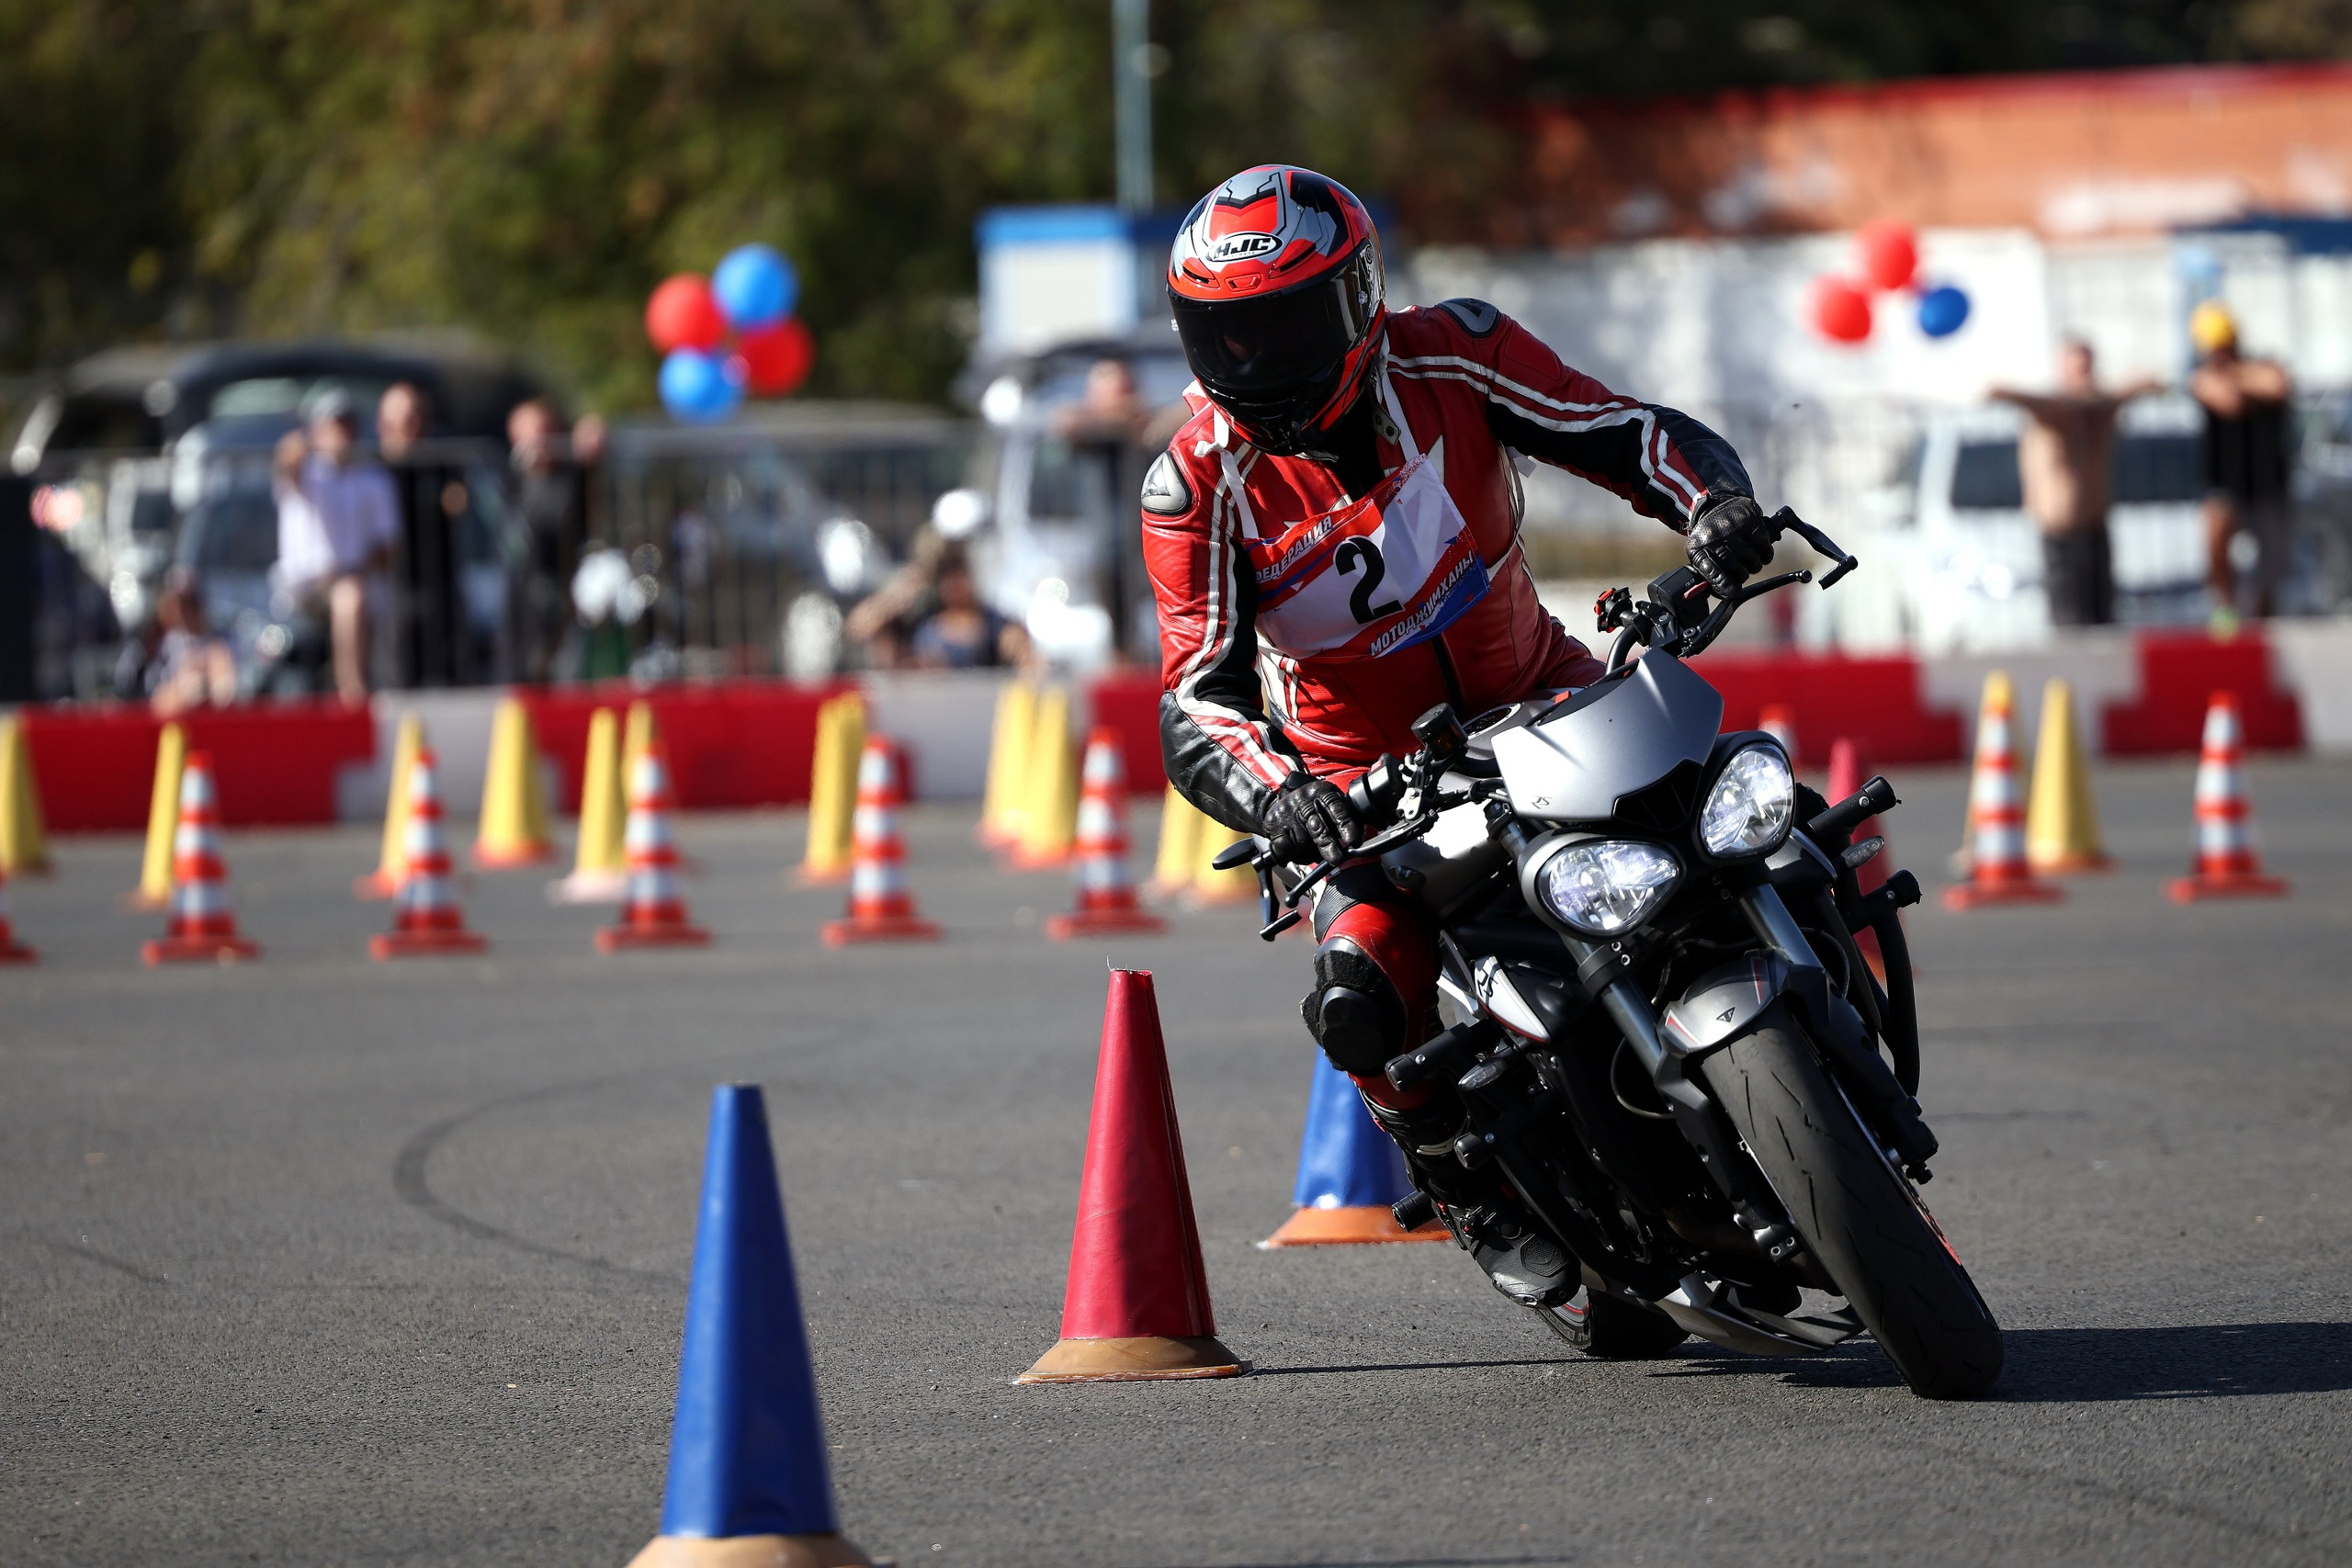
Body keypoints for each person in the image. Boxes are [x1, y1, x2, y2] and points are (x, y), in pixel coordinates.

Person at [1144, 164, 1770, 1307]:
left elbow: (1620, 432)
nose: (1253, 364)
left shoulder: (1457, 351)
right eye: (1222, 338)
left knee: (1752, 815)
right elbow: (1197, 695)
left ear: (1359, 298)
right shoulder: (1196, 486)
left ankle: (1817, 989)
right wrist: (1282, 796)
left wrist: (1713, 506)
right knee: (1356, 996)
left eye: (1281, 327)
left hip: (1549, 692)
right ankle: (1462, 1180)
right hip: (1365, 782)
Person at [1989, 338, 2161, 628]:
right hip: (2061, 536)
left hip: (2096, 532)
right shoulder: (2051, 413)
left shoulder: (2102, 411)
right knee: (2070, 624)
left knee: (2104, 622)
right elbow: (1999, 391)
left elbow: (2151, 382)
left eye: (2088, 368)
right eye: (2077, 369)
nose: (2085, 375)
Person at [272, 389, 401, 705]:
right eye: (334, 424)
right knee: (349, 595)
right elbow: (287, 457)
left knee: (352, 595)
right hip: (305, 587)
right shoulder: (307, 471)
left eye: (347, 425)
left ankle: (352, 691)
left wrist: (353, 570)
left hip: (356, 581)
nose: (342, 433)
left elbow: (387, 544)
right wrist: (313, 443)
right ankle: (351, 693)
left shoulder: (374, 478)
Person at [2188, 302, 2296, 623]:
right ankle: (2226, 608)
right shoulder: (2205, 378)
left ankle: (2264, 616)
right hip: (2227, 484)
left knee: (2272, 566)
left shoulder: (2259, 366)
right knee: (2216, 531)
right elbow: (2229, 402)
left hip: (2269, 483)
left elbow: (2278, 385)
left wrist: (2236, 373)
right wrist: (2248, 379)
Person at [502, 399, 601, 682]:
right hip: (517, 594)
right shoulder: (508, 479)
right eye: (531, 432)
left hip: (559, 585)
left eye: (545, 430)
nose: (539, 440)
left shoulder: (569, 477)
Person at [908, 543, 1030, 669]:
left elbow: (1015, 642)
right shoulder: (926, 630)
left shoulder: (993, 623)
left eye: (959, 575)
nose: (954, 584)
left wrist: (1018, 646)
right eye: (947, 577)